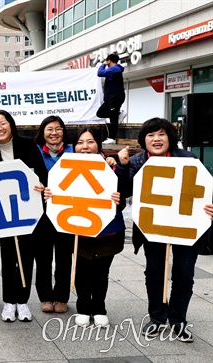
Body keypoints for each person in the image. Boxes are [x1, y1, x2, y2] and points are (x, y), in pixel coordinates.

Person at [116, 118, 213, 342]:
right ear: (143, 140)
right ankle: (157, 318)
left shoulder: (188, 159)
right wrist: (121, 166)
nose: (156, 139)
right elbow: (124, 191)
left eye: (161, 134)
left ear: (171, 137)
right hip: (153, 228)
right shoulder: (136, 161)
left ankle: (178, 320)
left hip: (186, 227)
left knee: (184, 273)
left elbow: (205, 188)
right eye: (151, 135)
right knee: (154, 273)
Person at [45, 128, 127, 328]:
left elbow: (125, 193)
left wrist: (119, 198)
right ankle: (83, 307)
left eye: (90, 142)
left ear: (98, 144)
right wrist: (50, 195)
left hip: (108, 231)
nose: (85, 147)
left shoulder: (112, 165)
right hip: (78, 228)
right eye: (80, 142)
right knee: (81, 270)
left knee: (101, 272)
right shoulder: (67, 166)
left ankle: (99, 308)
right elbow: (59, 190)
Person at [0, 110, 47, 322]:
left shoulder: (27, 145)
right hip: (3, 213)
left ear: (11, 124)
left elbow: (41, 172)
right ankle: (9, 301)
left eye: (3, 123)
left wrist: (41, 185)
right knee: (7, 255)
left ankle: (23, 301)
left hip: (27, 209)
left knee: (26, 256)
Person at [33, 115, 74, 314]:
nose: (54, 133)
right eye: (49, 129)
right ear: (43, 133)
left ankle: (62, 296)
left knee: (65, 256)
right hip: (41, 214)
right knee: (43, 257)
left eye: (58, 129)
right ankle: (45, 296)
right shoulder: (35, 152)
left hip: (67, 212)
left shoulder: (73, 152)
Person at [97, 53, 126, 145]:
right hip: (110, 98)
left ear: (109, 61)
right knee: (100, 113)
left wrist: (103, 64)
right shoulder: (113, 70)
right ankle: (119, 114)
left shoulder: (114, 68)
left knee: (113, 119)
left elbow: (99, 73)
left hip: (115, 97)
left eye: (107, 61)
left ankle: (112, 138)